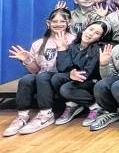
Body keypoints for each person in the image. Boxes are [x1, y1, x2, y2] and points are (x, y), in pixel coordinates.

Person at [4, 9, 75, 137]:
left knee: (43, 77)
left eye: (62, 21)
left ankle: (46, 114)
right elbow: (35, 70)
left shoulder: (74, 40)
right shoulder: (39, 43)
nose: (58, 24)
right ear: (48, 23)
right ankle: (22, 116)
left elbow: (71, 67)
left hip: (63, 78)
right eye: (54, 21)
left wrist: (62, 48)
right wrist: (26, 60)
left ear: (69, 23)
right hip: (43, 78)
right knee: (26, 79)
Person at [54, 21, 112, 128]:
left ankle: (96, 106)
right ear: (84, 29)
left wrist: (72, 72)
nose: (90, 33)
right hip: (76, 79)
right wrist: (62, 49)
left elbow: (86, 74)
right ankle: (73, 104)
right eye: (90, 29)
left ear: (100, 38)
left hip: (91, 82)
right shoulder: (73, 45)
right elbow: (62, 68)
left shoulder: (97, 49)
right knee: (56, 78)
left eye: (97, 33)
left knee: (66, 89)